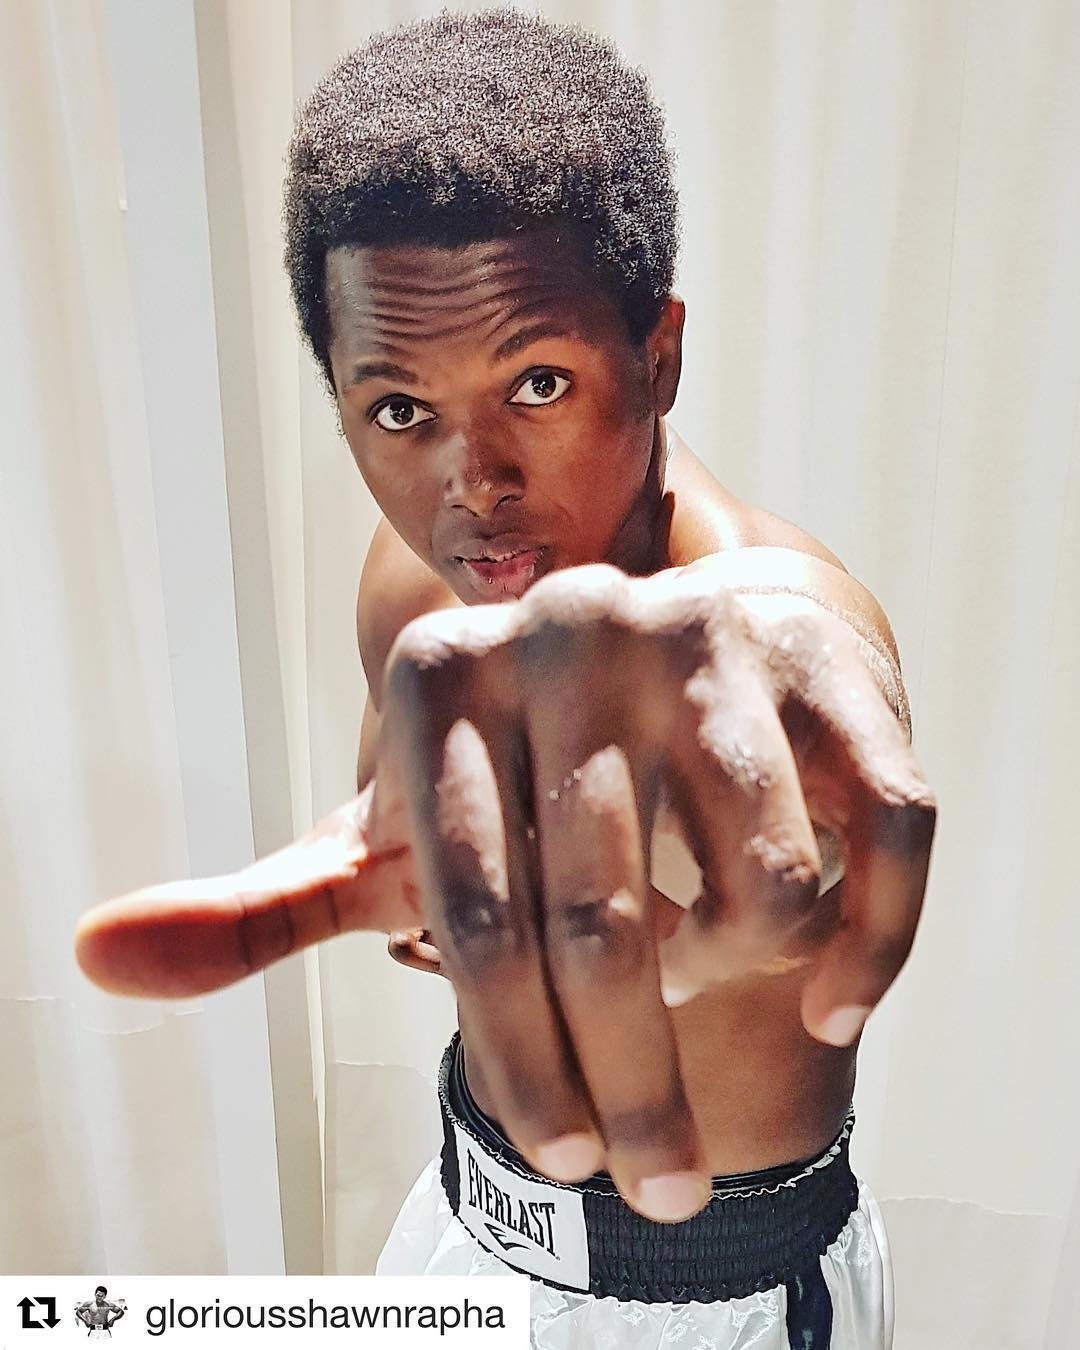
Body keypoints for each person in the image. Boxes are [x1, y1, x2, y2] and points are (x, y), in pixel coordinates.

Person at [74, 10, 936, 1347]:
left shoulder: (765, 611)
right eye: (400, 410)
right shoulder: (418, 577)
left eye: (537, 383)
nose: (472, 482)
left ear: (657, 356)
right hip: (463, 1224)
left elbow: (795, 675)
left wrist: (760, 768)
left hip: (711, 1303)